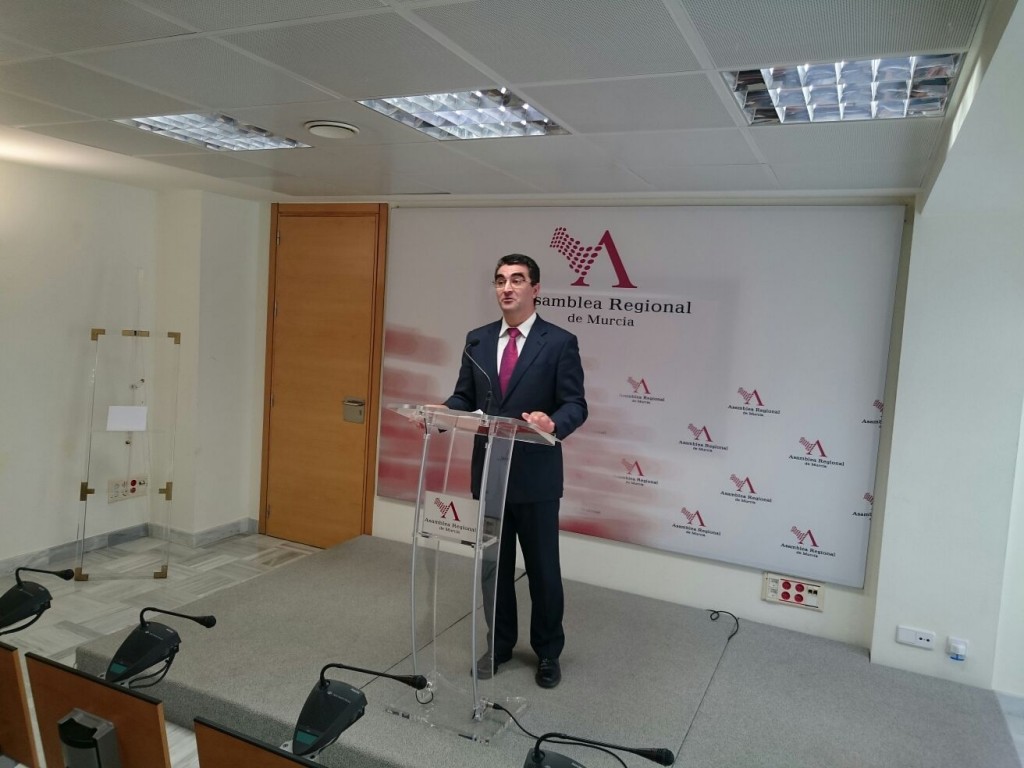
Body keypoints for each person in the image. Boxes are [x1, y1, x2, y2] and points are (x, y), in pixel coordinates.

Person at [443, 253, 587, 689]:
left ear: (535, 289)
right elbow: (464, 397)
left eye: (517, 280)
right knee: (494, 569)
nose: (507, 287)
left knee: (543, 573)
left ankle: (548, 652)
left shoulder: (559, 342)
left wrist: (552, 424)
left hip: (536, 479)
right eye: (500, 280)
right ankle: (500, 645)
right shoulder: (477, 340)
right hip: (490, 475)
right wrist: (441, 412)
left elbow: (575, 404)